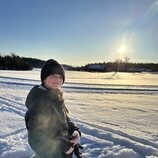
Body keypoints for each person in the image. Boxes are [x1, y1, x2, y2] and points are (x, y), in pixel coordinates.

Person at [25, 59, 82, 158]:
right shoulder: (39, 101)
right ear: (44, 78)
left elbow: (65, 118)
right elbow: (36, 138)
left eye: (60, 77)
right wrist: (62, 151)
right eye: (53, 76)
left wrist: (74, 131)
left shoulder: (56, 96)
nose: (57, 79)